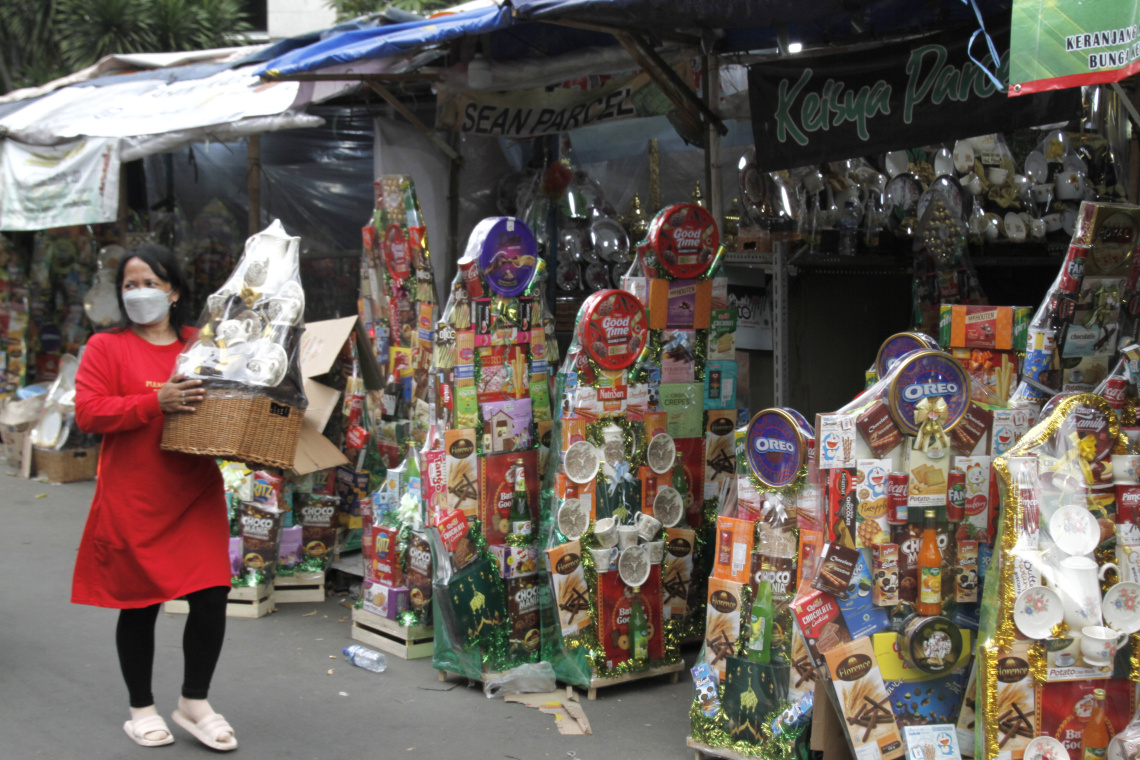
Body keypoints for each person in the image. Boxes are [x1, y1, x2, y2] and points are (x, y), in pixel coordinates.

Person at [72, 243, 237, 751]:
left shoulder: (202, 344)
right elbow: (89, 412)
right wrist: (154, 401)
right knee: (139, 603)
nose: (139, 292)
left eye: (150, 282)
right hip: (134, 495)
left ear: (175, 291)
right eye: (129, 285)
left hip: (194, 491)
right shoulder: (105, 347)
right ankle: (140, 707)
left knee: (211, 594)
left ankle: (194, 702)